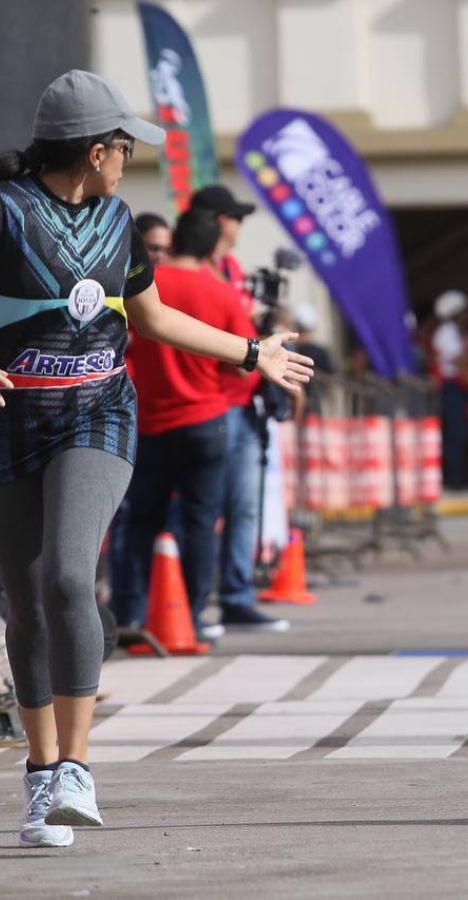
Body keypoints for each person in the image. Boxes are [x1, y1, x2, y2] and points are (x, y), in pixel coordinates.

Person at [0, 70, 312, 848]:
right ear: (97, 149)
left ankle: (76, 768)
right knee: (24, 599)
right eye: (125, 146)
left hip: (99, 419)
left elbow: (156, 317)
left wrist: (251, 351)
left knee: (69, 574)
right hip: (11, 430)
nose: (130, 160)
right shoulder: (5, 215)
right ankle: (41, 777)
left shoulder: (116, 223)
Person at [110, 209, 256, 634]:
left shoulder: (146, 286)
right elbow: (240, 365)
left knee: (139, 522)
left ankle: (131, 615)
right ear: (212, 248)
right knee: (199, 523)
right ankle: (190, 617)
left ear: (173, 243)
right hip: (205, 421)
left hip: (151, 422)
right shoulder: (222, 293)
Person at [192, 184, 288, 633]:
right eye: (235, 217)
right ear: (215, 219)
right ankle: (190, 606)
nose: (239, 226)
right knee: (201, 509)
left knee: (244, 505)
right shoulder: (195, 269)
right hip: (206, 403)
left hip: (242, 402)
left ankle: (236, 595)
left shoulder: (231, 267)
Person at [430, 290, 468, 490]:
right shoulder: (445, 333)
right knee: (455, 433)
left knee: (465, 432)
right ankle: (454, 478)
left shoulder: (462, 334)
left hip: (462, 388)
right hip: (451, 388)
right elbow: (462, 360)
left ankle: (463, 475)